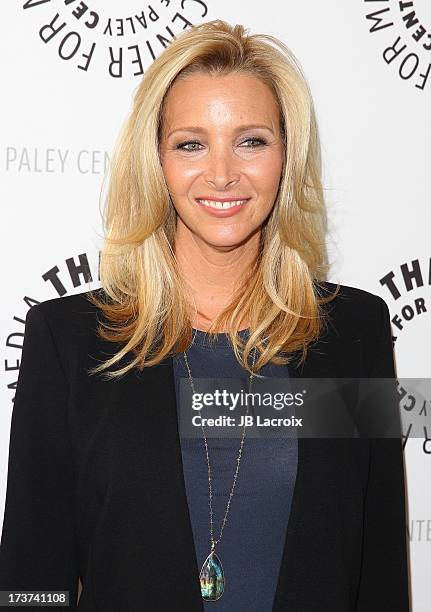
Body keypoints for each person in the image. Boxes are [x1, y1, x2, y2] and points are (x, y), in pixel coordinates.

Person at [0, 19, 409, 612]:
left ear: (286, 158)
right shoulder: (71, 343)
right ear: (157, 161)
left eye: (252, 141)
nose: (222, 174)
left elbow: (378, 574)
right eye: (191, 143)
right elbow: (29, 583)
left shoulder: (354, 336)